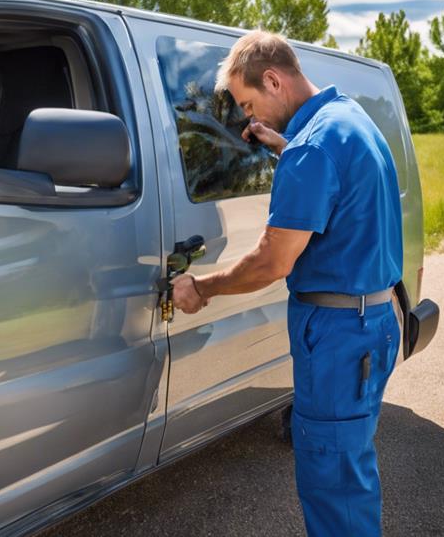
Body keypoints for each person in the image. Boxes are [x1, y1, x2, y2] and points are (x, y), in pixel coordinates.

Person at [171, 31, 403, 536]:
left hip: (339, 338)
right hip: (374, 322)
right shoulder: (346, 119)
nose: (251, 117)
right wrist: (288, 148)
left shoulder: (312, 149)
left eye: (250, 102)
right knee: (350, 471)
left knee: (334, 484)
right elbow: (332, 177)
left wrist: (202, 288)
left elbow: (271, 261)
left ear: (274, 79)